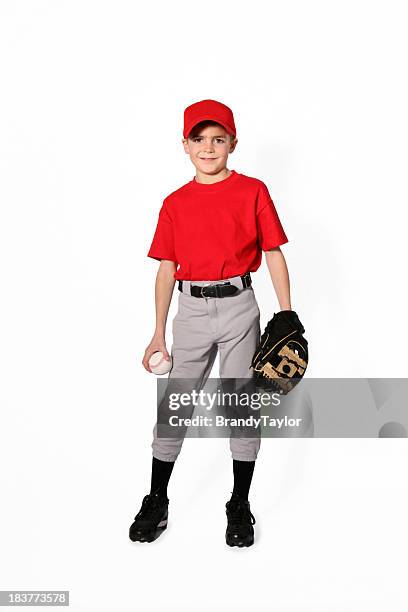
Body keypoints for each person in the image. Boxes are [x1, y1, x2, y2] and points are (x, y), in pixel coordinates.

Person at [129, 99, 291, 547]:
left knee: (240, 406)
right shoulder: (175, 203)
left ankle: (239, 502)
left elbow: (273, 252)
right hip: (192, 310)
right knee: (177, 403)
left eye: (218, 139)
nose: (209, 147)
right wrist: (158, 332)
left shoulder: (252, 190)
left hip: (240, 305)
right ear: (184, 145)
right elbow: (165, 268)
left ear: (233, 143)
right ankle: (156, 498)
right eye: (199, 139)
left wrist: (287, 312)